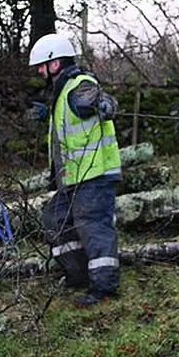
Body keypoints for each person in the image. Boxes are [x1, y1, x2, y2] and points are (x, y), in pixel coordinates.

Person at [28, 33, 122, 308]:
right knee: (56, 219)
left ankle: (104, 288)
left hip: (94, 175)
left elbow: (93, 99)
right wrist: (47, 115)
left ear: (55, 64)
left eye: (41, 66)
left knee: (94, 226)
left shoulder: (79, 85)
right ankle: (79, 274)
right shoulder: (61, 93)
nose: (39, 71)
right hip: (74, 177)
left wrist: (99, 104)